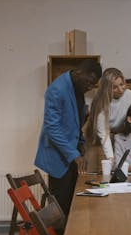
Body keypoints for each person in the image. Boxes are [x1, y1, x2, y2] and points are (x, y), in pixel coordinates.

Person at [35, 59, 102, 215]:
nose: (89, 87)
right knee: (61, 206)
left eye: (93, 85)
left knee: (74, 201)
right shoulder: (57, 89)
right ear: (78, 73)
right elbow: (52, 128)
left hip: (71, 154)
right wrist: (74, 155)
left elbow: (75, 123)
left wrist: (81, 143)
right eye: (88, 82)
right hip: (58, 156)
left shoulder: (78, 88)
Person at [83, 68, 131, 164]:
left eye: (121, 84)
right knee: (98, 170)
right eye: (114, 87)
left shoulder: (130, 95)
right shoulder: (100, 101)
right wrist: (110, 157)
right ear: (106, 88)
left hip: (119, 135)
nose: (120, 90)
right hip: (97, 138)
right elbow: (103, 133)